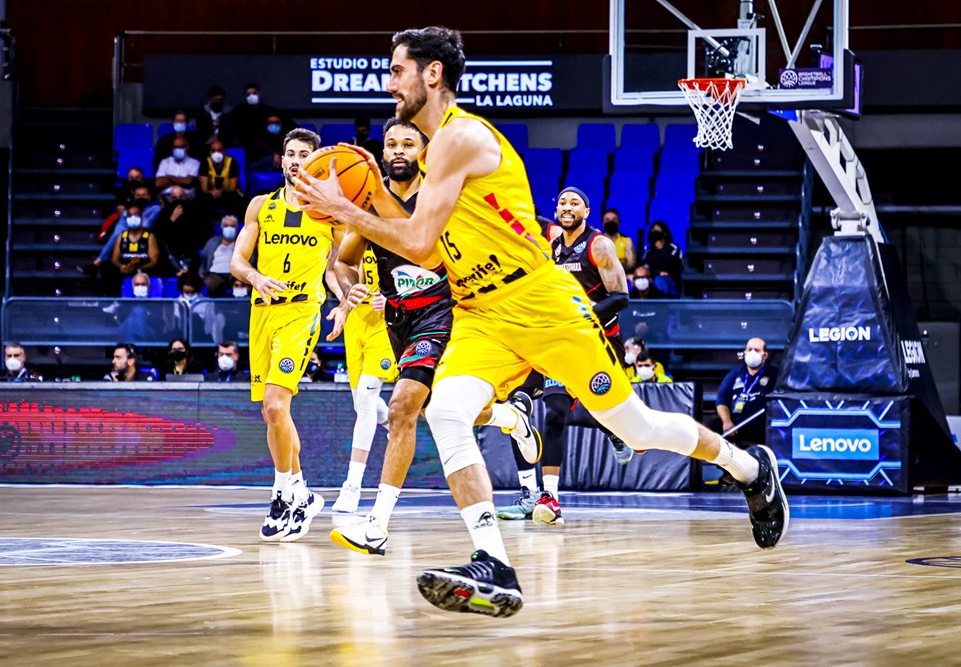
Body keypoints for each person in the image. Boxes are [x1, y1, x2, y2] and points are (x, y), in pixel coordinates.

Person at [294, 26, 788, 618]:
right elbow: (417, 241)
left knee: (636, 429)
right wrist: (366, 200)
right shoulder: (430, 156)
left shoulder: (460, 138)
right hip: (480, 311)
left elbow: (419, 244)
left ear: (432, 74)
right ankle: (493, 564)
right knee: (445, 411)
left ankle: (749, 468)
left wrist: (344, 207)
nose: (389, 83)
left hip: (539, 301)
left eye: (397, 70)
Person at [325, 117, 541, 555]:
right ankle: (510, 419)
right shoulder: (368, 206)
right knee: (440, 411)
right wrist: (350, 291)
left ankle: (376, 525)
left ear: (423, 152)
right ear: (382, 152)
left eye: (408, 143)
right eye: (391, 143)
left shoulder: (443, 197)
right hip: (398, 318)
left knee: (401, 407)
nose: (398, 150)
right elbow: (343, 262)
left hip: (447, 312)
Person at [230, 127, 345, 543]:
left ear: (315, 162)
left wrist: (344, 303)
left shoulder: (328, 213)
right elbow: (237, 262)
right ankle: (302, 493)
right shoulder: (261, 206)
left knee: (277, 405)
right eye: (290, 153)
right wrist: (255, 276)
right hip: (262, 313)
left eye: (304, 155)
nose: (296, 160)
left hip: (302, 312)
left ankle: (282, 494)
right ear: (282, 159)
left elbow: (339, 268)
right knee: (272, 414)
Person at [497, 185, 632, 526]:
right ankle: (542, 496)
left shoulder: (599, 245)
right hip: (558, 342)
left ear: (587, 212)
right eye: (562, 202)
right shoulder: (552, 247)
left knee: (600, 409)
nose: (567, 207)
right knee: (534, 409)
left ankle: (615, 430)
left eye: (575, 203)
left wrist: (581, 317)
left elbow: (621, 298)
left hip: (599, 342)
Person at [329, 243, 396, 514]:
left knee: (367, 400)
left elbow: (418, 273)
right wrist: (344, 303)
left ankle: (352, 486)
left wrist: (392, 300)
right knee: (361, 403)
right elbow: (332, 270)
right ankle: (393, 423)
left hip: (384, 322)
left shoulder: (393, 228)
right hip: (356, 319)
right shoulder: (349, 232)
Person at [715, 337, 777, 446]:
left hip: (761, 425)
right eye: (749, 349)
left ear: (765, 355)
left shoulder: (774, 374)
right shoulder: (734, 374)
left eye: (756, 350)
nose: (752, 353)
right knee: (713, 427)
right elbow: (721, 400)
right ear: (744, 353)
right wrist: (727, 421)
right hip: (735, 424)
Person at [198, 139, 245, 219]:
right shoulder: (205, 163)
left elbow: (232, 187)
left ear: (224, 151)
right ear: (210, 152)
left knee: (237, 200)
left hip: (228, 193)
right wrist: (212, 192)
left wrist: (221, 191)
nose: (216, 153)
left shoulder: (232, 163)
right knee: (201, 200)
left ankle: (233, 222)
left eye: (219, 150)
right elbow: (204, 188)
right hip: (211, 193)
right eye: (213, 151)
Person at [199, 214, 241, 297]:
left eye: (232, 226)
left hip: (236, 275)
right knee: (208, 284)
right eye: (226, 226)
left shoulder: (242, 243)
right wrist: (201, 273)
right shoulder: (212, 242)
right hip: (215, 274)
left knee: (241, 285)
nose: (229, 228)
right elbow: (203, 259)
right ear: (222, 227)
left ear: (237, 228)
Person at [640, 220, 683, 297]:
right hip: (652, 278)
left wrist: (661, 249)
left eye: (658, 230)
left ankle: (661, 303)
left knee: (659, 280)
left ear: (665, 233)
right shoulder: (648, 251)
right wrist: (657, 273)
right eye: (653, 230)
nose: (655, 232)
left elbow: (674, 266)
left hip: (671, 280)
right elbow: (645, 267)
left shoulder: (673, 248)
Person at [194, 84, 232, 150]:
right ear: (210, 100)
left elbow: (230, 134)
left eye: (220, 100)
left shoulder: (228, 114)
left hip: (224, 147)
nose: (218, 102)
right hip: (205, 147)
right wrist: (212, 127)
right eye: (215, 100)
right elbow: (200, 135)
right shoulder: (202, 114)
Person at [601, 208, 635, 273]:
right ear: (602, 223)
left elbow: (631, 264)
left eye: (614, 219)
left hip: (622, 273)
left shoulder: (627, 240)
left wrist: (616, 269)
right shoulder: (596, 241)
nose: (611, 222)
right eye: (607, 220)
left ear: (619, 223)